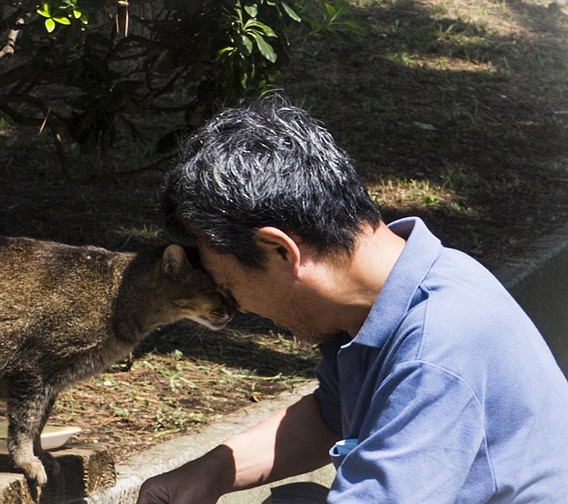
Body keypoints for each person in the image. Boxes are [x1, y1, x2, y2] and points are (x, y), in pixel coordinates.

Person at [137, 94, 568, 503]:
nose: (240, 308)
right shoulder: (400, 292)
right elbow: (330, 416)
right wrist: (211, 472)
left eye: (229, 286)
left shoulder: (434, 350)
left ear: (281, 251)